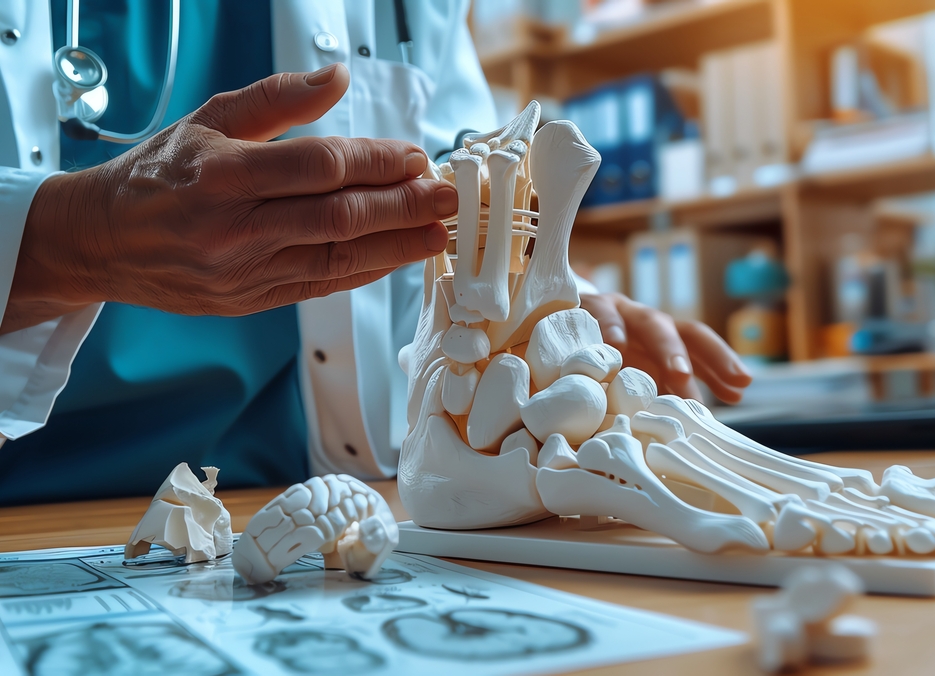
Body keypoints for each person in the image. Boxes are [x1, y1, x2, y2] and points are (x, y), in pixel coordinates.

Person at [0, 0, 752, 506]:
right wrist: (68, 238)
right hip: (40, 513)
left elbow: (464, 168)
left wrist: (550, 300)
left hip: (325, 503)